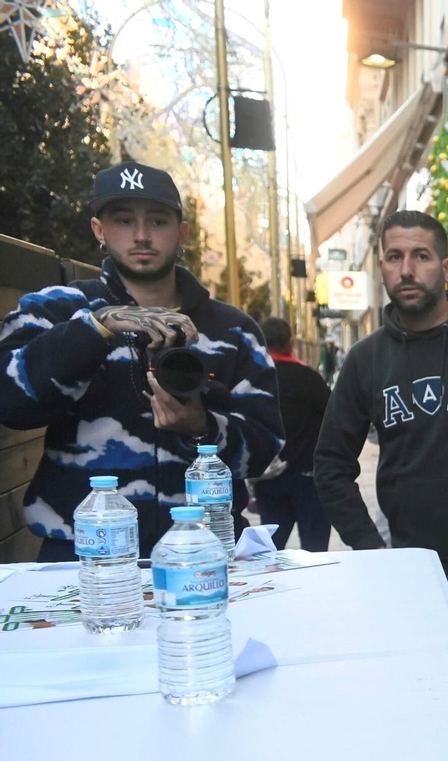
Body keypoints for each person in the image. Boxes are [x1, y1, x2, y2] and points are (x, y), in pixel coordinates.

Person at [0, 162, 283, 558]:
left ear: (182, 233)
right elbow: (11, 400)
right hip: (85, 552)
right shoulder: (56, 309)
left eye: (158, 221)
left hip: (204, 548)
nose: (141, 235)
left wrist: (201, 426)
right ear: (99, 230)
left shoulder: (234, 329)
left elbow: (265, 448)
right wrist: (96, 327)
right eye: (123, 220)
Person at [313, 210, 448, 614]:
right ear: (382, 267)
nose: (406, 270)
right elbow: (330, 465)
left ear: (447, 267)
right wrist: (372, 549)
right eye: (394, 257)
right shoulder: (365, 359)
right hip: (408, 573)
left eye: (421, 256)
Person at [254, 316, 331, 550]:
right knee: (315, 553)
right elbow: (335, 418)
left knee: (269, 551)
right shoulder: (309, 378)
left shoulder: (255, 379)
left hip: (269, 479)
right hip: (309, 480)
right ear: (290, 342)